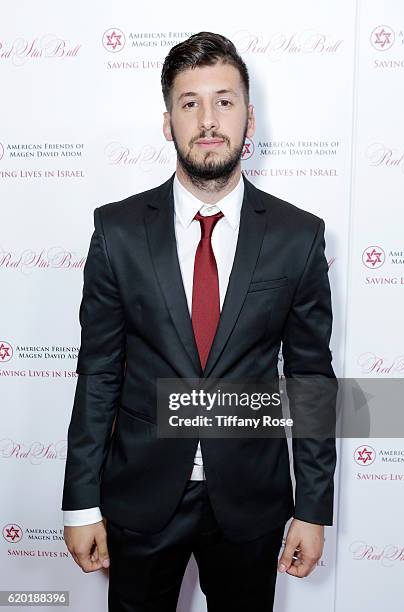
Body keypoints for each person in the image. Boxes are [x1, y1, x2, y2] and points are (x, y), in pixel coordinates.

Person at [62, 31, 337, 612]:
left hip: (251, 501)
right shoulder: (117, 232)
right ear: (168, 121)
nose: (208, 120)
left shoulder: (298, 236)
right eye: (190, 103)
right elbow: (98, 374)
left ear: (249, 117)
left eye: (224, 101)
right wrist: (81, 503)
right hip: (140, 497)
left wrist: (313, 508)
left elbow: (311, 379)